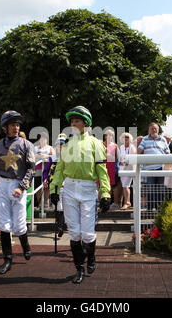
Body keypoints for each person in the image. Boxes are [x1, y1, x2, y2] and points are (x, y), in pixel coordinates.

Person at [50, 106, 111, 284]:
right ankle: (79, 269)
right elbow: (60, 169)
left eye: (77, 121)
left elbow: (102, 170)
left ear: (86, 123)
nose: (73, 124)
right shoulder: (66, 143)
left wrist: (105, 192)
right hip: (68, 188)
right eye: (71, 121)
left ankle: (91, 257)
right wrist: (54, 189)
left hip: (88, 189)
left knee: (87, 233)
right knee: (74, 233)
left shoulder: (95, 143)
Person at [0, 110, 35, 275]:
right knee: (3, 223)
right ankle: (7, 259)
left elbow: (31, 169)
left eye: (17, 125)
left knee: (19, 224)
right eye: (12, 125)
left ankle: (26, 246)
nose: (16, 128)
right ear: (5, 127)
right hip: (2, 185)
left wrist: (21, 187)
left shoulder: (26, 144)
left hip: (17, 185)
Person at [137, 123, 170, 211]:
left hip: (161, 167)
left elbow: (167, 152)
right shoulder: (145, 139)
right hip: (149, 168)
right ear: (149, 130)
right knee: (151, 189)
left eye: (155, 128)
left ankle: (161, 208)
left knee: (160, 189)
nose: (153, 130)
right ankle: (150, 209)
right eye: (152, 128)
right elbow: (139, 150)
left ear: (158, 130)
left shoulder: (163, 139)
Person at [43, 133, 68, 236]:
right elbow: (46, 171)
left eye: (62, 145)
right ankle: (60, 226)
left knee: (64, 206)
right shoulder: (52, 158)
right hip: (55, 185)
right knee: (58, 206)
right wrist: (45, 180)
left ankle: (62, 224)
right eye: (59, 145)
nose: (60, 147)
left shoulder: (70, 158)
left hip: (67, 185)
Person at [103, 129, 121, 209]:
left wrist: (110, 156)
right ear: (105, 136)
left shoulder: (115, 146)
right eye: (108, 135)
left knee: (114, 186)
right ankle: (105, 203)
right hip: (103, 168)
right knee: (104, 186)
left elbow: (117, 158)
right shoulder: (101, 145)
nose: (110, 137)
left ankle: (116, 203)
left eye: (111, 135)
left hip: (113, 168)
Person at [118, 132, 136, 210]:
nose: (125, 139)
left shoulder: (132, 147)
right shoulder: (121, 147)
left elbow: (133, 158)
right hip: (122, 169)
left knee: (126, 186)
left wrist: (125, 161)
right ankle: (126, 202)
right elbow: (119, 157)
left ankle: (127, 203)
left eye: (127, 137)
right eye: (124, 137)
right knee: (124, 186)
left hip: (130, 168)